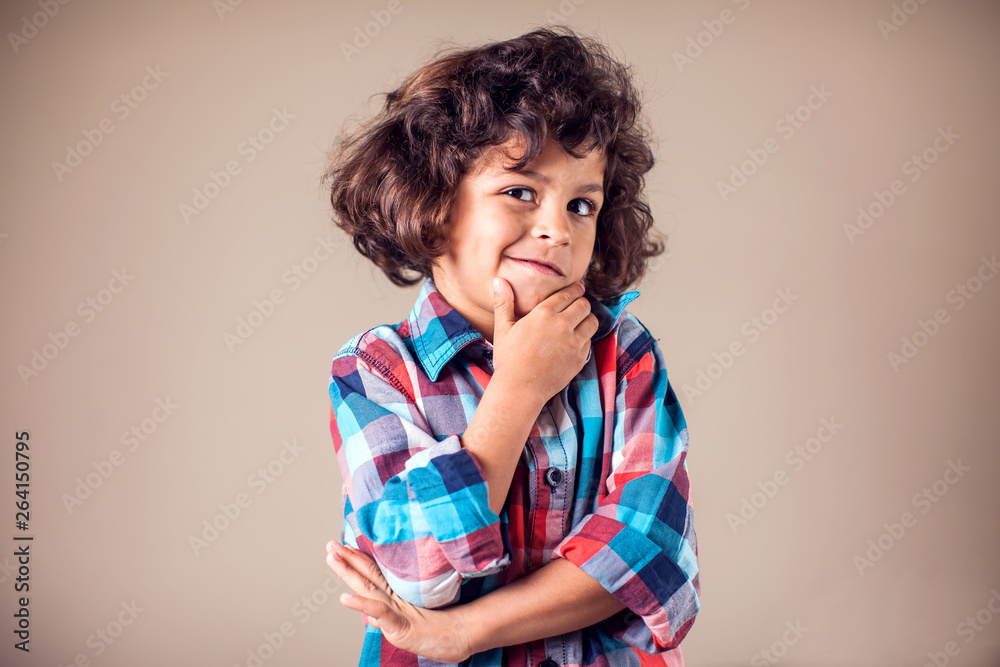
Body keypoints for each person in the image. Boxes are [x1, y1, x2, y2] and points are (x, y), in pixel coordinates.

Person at [322, 25, 701, 667]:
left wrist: (463, 631)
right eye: (521, 192)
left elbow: (650, 551)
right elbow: (415, 569)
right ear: (434, 202)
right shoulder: (375, 370)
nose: (558, 228)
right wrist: (519, 388)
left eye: (581, 205)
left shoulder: (623, 352)